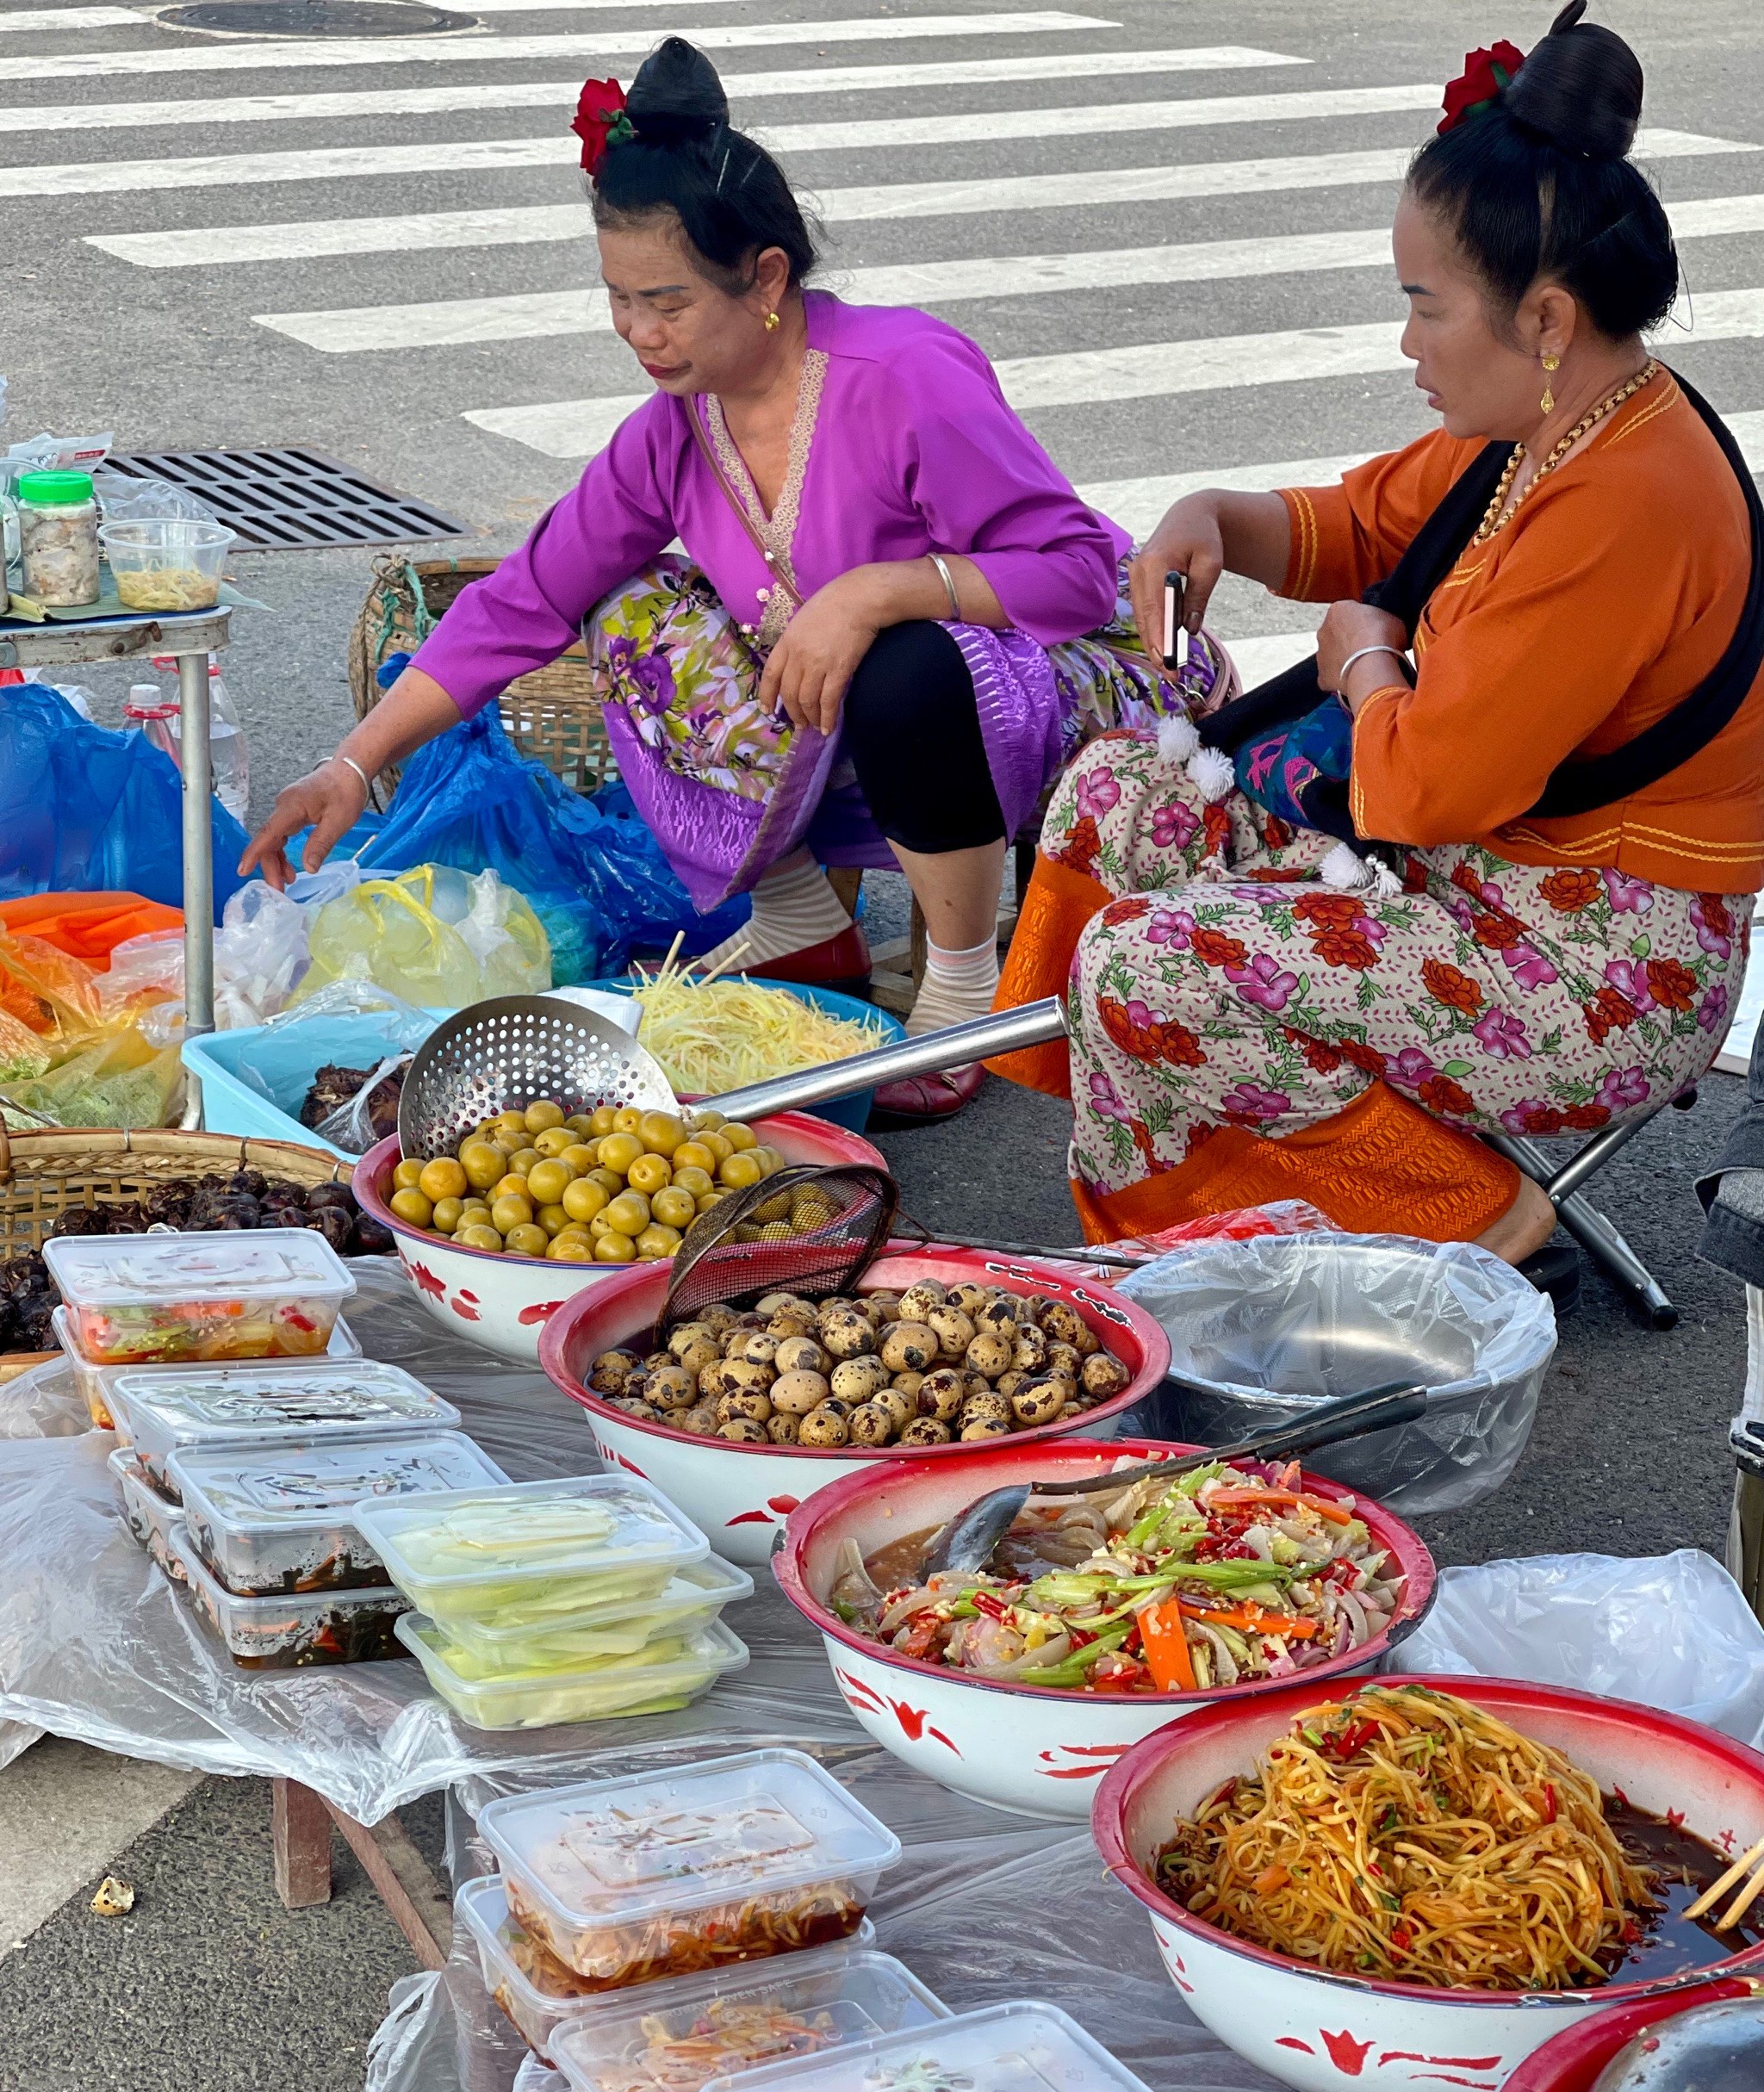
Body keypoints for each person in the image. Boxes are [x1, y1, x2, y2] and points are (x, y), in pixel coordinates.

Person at [240, 38, 1213, 1125]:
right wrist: (350, 760)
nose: (639, 335)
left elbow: (1077, 573)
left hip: (1068, 677)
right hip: (862, 701)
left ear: (763, 279)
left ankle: (957, 981)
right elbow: (531, 598)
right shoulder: (674, 429)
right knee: (630, 608)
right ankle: (805, 919)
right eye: (618, 300)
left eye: (666, 302)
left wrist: (880, 591)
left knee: (901, 659)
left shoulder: (904, 376)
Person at [995, 0, 1763, 1258]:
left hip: (1596, 962)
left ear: (1548, 320)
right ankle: (1190, 1159)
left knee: (1152, 967)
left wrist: (1363, 656)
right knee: (1119, 797)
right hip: (1495, 877)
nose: (1408, 343)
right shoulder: (1557, 423)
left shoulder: (1623, 500)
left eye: (1428, 307)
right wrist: (1214, 519)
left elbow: (1422, 783)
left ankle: (1465, 1215)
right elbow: (1361, 522)